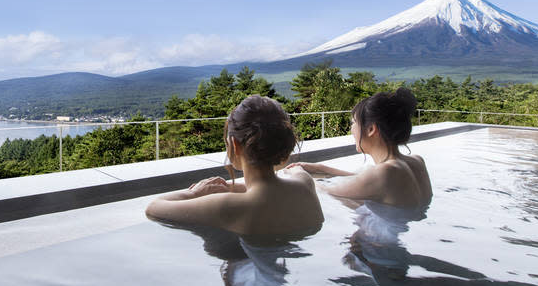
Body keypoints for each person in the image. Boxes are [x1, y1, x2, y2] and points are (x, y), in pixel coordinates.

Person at [145, 94, 324, 235]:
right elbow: (285, 179)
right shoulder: (305, 183)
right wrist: (236, 188)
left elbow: (154, 208)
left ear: (234, 145)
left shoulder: (227, 206)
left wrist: (195, 192)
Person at [287, 88, 431, 208]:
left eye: (353, 123)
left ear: (370, 129)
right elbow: (362, 181)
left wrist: (299, 174)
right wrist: (322, 168)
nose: (351, 130)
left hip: (380, 242)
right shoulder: (416, 161)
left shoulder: (384, 172)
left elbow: (327, 191)